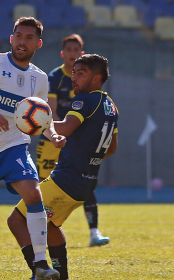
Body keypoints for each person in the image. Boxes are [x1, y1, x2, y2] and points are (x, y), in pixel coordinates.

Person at [0, 17, 65, 280]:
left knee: (33, 192)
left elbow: (42, 119)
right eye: (19, 35)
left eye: (29, 38)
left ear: (38, 44)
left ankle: (40, 264)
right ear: (11, 38)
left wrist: (52, 135)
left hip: (14, 147)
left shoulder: (38, 79)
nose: (22, 41)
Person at [8, 54, 118, 280]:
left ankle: (38, 271)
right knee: (49, 225)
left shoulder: (84, 101)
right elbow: (112, 148)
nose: (73, 77)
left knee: (16, 220)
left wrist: (30, 121)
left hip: (65, 180)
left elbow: (66, 128)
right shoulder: (110, 106)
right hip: (86, 184)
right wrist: (88, 157)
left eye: (81, 73)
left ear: (96, 78)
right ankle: (62, 276)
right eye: (73, 72)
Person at [36, 34, 110, 248]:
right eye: (68, 50)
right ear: (62, 53)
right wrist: (59, 134)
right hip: (54, 137)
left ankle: (94, 232)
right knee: (42, 186)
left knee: (84, 184)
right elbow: (51, 110)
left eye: (76, 50)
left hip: (74, 139)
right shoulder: (55, 77)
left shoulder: (89, 82)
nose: (72, 53)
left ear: (82, 53)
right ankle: (40, 230)